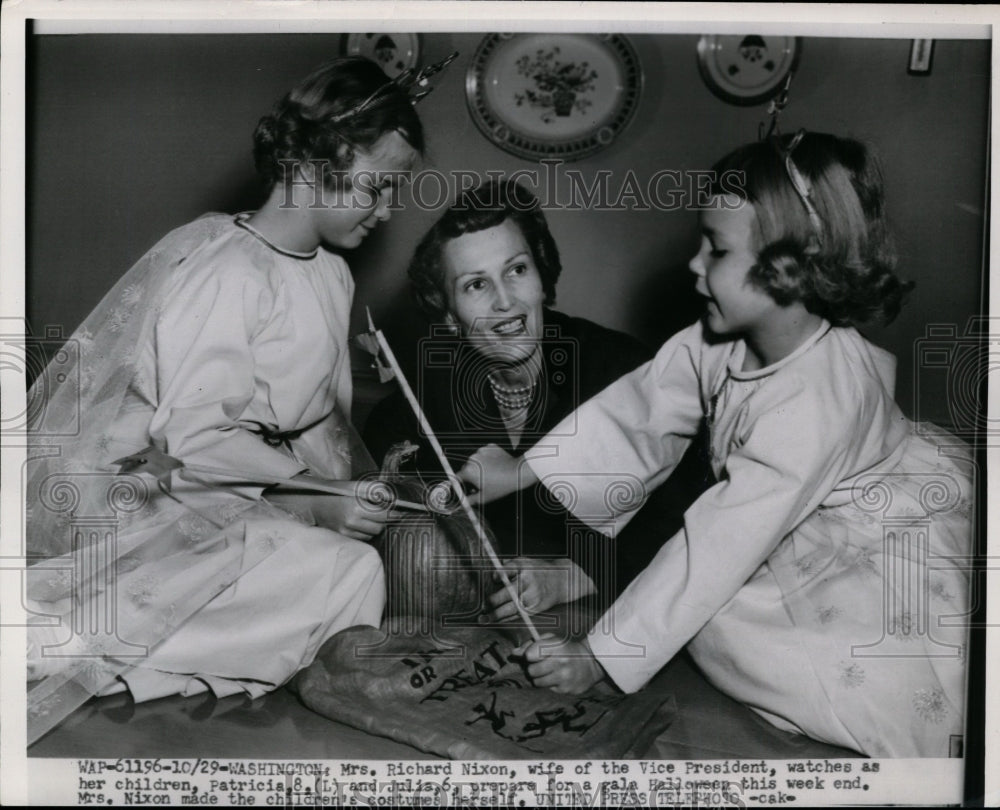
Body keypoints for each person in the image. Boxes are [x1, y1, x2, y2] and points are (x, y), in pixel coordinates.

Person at [458, 132, 973, 757]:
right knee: (706, 610)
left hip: (865, 527)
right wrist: (523, 471)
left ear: (793, 267)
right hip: (766, 513)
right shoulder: (722, 335)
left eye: (718, 250)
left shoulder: (817, 404)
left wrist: (600, 655)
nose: (695, 264)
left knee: (866, 672)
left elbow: (716, 546)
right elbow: (642, 408)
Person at [25, 55, 435, 741]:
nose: (388, 210)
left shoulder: (331, 274)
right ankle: (76, 632)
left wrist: (344, 491)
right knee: (324, 572)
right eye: (379, 187)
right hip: (170, 490)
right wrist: (310, 497)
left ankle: (206, 641)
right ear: (314, 165)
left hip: (259, 491)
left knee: (356, 572)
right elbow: (195, 441)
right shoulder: (227, 270)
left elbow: (318, 421)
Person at [364, 179, 710, 624]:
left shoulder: (623, 370)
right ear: (449, 316)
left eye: (516, 270)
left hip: (624, 613)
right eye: (475, 285)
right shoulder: (425, 401)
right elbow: (385, 466)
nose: (505, 301)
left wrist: (578, 575)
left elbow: (694, 518)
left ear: (542, 278)